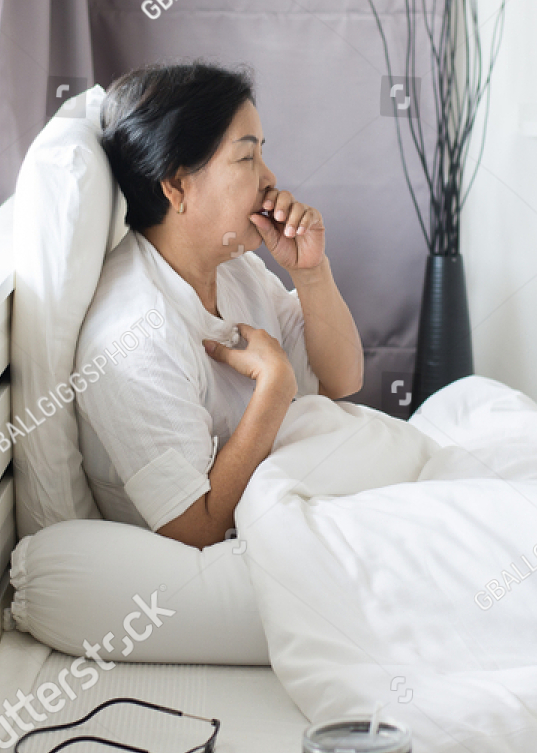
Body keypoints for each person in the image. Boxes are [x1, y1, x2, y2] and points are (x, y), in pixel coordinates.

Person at [76, 61, 364, 548]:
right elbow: (196, 529)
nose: (270, 177)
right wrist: (274, 388)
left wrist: (310, 272)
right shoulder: (136, 337)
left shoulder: (231, 266)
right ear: (177, 185)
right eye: (247, 158)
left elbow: (343, 379)